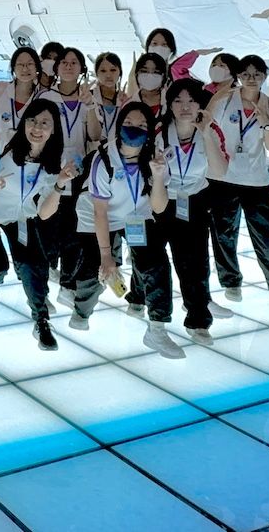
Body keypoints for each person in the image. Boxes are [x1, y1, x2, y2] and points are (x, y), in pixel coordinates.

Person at [73, 103, 182, 358]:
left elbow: (159, 206)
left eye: (142, 125)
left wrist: (157, 176)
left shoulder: (154, 157)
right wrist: (106, 254)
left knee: (155, 263)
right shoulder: (104, 160)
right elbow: (100, 211)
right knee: (97, 267)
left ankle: (157, 328)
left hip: (136, 216)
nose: (135, 129)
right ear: (119, 126)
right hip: (102, 214)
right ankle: (81, 311)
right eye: (129, 124)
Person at [0, 99, 73, 351]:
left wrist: (59, 185)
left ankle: (41, 320)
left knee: (34, 265)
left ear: (54, 129)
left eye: (44, 123)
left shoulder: (54, 161)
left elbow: (44, 213)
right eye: (32, 120)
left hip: (20, 217)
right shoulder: (4, 143)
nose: (37, 128)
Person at [205, 55, 269, 300]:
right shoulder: (225, 99)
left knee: (268, 233)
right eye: (245, 74)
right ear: (238, 76)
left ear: (265, 76)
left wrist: (266, 124)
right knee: (223, 233)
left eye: (257, 74)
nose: (251, 79)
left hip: (256, 179)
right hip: (222, 176)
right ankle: (230, 281)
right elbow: (206, 125)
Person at [152, 80, 233, 345]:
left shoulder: (212, 129)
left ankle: (198, 319)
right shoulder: (159, 131)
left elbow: (220, 171)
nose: (185, 107)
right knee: (155, 259)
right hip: (162, 198)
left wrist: (206, 132)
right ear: (169, 104)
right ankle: (146, 308)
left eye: (191, 101)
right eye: (178, 101)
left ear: (200, 104)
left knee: (196, 261)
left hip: (194, 200)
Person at [0, 47, 47, 152]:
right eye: (20, 64)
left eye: (30, 64)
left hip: (21, 156)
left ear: (37, 67)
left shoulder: (42, 98)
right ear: (13, 68)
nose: (25, 68)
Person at [143, 28, 221, 83]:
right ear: (148, 46)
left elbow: (196, 53)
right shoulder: (141, 74)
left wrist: (211, 50)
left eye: (164, 44)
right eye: (154, 43)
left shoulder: (176, 68)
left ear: (171, 49)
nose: (159, 48)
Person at [85, 51, 124, 147]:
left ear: (120, 72)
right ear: (96, 73)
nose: (108, 75)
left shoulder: (125, 99)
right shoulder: (87, 97)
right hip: (93, 151)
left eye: (113, 70)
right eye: (103, 71)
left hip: (118, 150)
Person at [128, 52, 168, 118]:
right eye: (144, 71)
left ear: (163, 76)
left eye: (156, 72)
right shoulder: (128, 104)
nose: (150, 76)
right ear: (137, 74)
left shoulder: (172, 102)